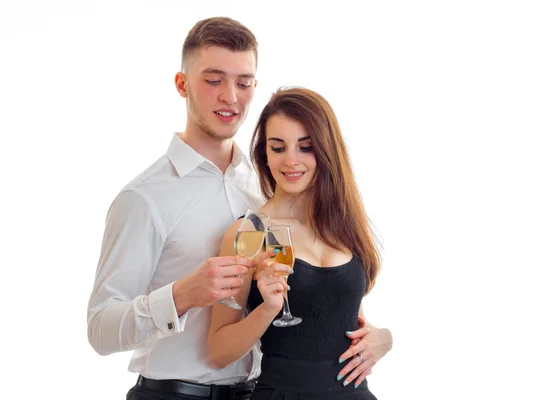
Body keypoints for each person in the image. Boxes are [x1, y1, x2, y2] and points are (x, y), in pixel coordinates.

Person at [87, 17, 392, 400]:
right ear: (182, 84)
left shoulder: (268, 186)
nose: (230, 96)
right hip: (174, 395)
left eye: (244, 83)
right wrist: (183, 294)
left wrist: (380, 338)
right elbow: (99, 329)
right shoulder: (144, 198)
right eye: (213, 80)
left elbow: (313, 308)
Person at [208, 87, 390, 399]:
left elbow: (345, 318)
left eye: (305, 147)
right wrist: (267, 310)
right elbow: (218, 350)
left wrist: (383, 339)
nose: (291, 161)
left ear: (326, 150)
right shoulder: (251, 231)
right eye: (278, 148)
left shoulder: (342, 225)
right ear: (264, 154)